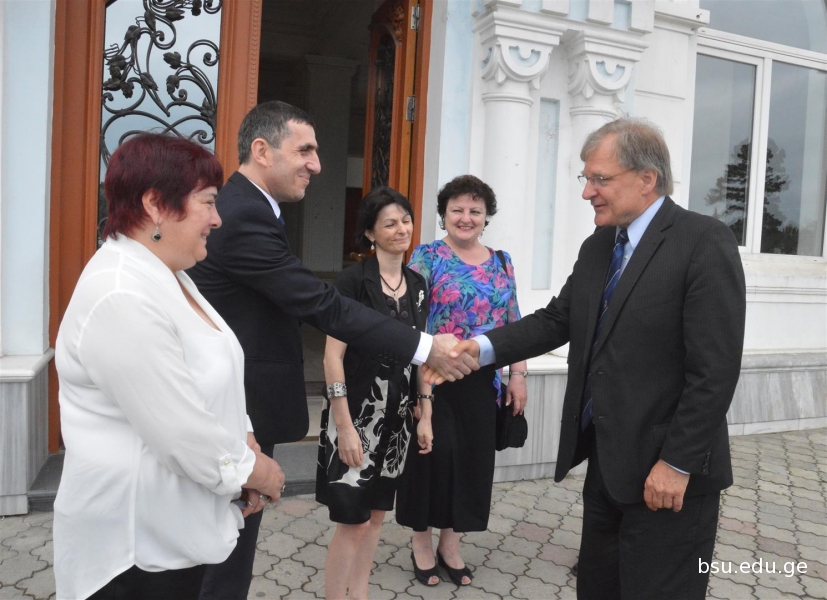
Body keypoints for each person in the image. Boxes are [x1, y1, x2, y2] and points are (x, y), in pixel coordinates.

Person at [187, 100, 476, 599]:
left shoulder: (253, 209)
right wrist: (425, 347)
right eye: (305, 150)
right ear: (262, 150)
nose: (317, 165)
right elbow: (320, 305)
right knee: (222, 554)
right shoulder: (244, 214)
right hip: (232, 408)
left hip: (249, 407)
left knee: (230, 544)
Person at [447, 118, 747, 599]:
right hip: (607, 465)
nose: (587, 192)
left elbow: (714, 372)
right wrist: (479, 347)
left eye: (600, 179)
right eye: (585, 178)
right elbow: (557, 320)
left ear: (646, 179)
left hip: (668, 476)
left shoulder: (703, 241)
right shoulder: (600, 245)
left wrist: (677, 463)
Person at [53, 134, 285, 600]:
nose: (217, 219)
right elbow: (180, 432)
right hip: (133, 550)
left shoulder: (168, 273)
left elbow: (210, 371)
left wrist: (242, 435)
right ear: (156, 204)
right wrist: (257, 472)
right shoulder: (121, 293)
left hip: (174, 534)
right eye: (208, 202)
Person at [395, 175, 528, 587]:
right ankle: (421, 543)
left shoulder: (502, 261)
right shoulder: (427, 256)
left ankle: (450, 545)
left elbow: (515, 324)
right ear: (444, 215)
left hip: (483, 381)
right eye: (457, 210)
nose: (465, 217)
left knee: (471, 463)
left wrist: (518, 376)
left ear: (486, 216)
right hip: (433, 376)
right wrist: (417, 381)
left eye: (475, 210)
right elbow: (409, 318)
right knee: (430, 459)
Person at [316, 187, 434, 599]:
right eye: (390, 223)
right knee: (353, 522)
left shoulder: (418, 284)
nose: (402, 229)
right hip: (357, 416)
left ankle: (360, 594)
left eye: (406, 220)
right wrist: (344, 428)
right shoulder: (353, 281)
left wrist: (426, 413)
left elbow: (422, 354)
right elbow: (332, 357)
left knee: (378, 517)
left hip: (398, 422)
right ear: (370, 232)